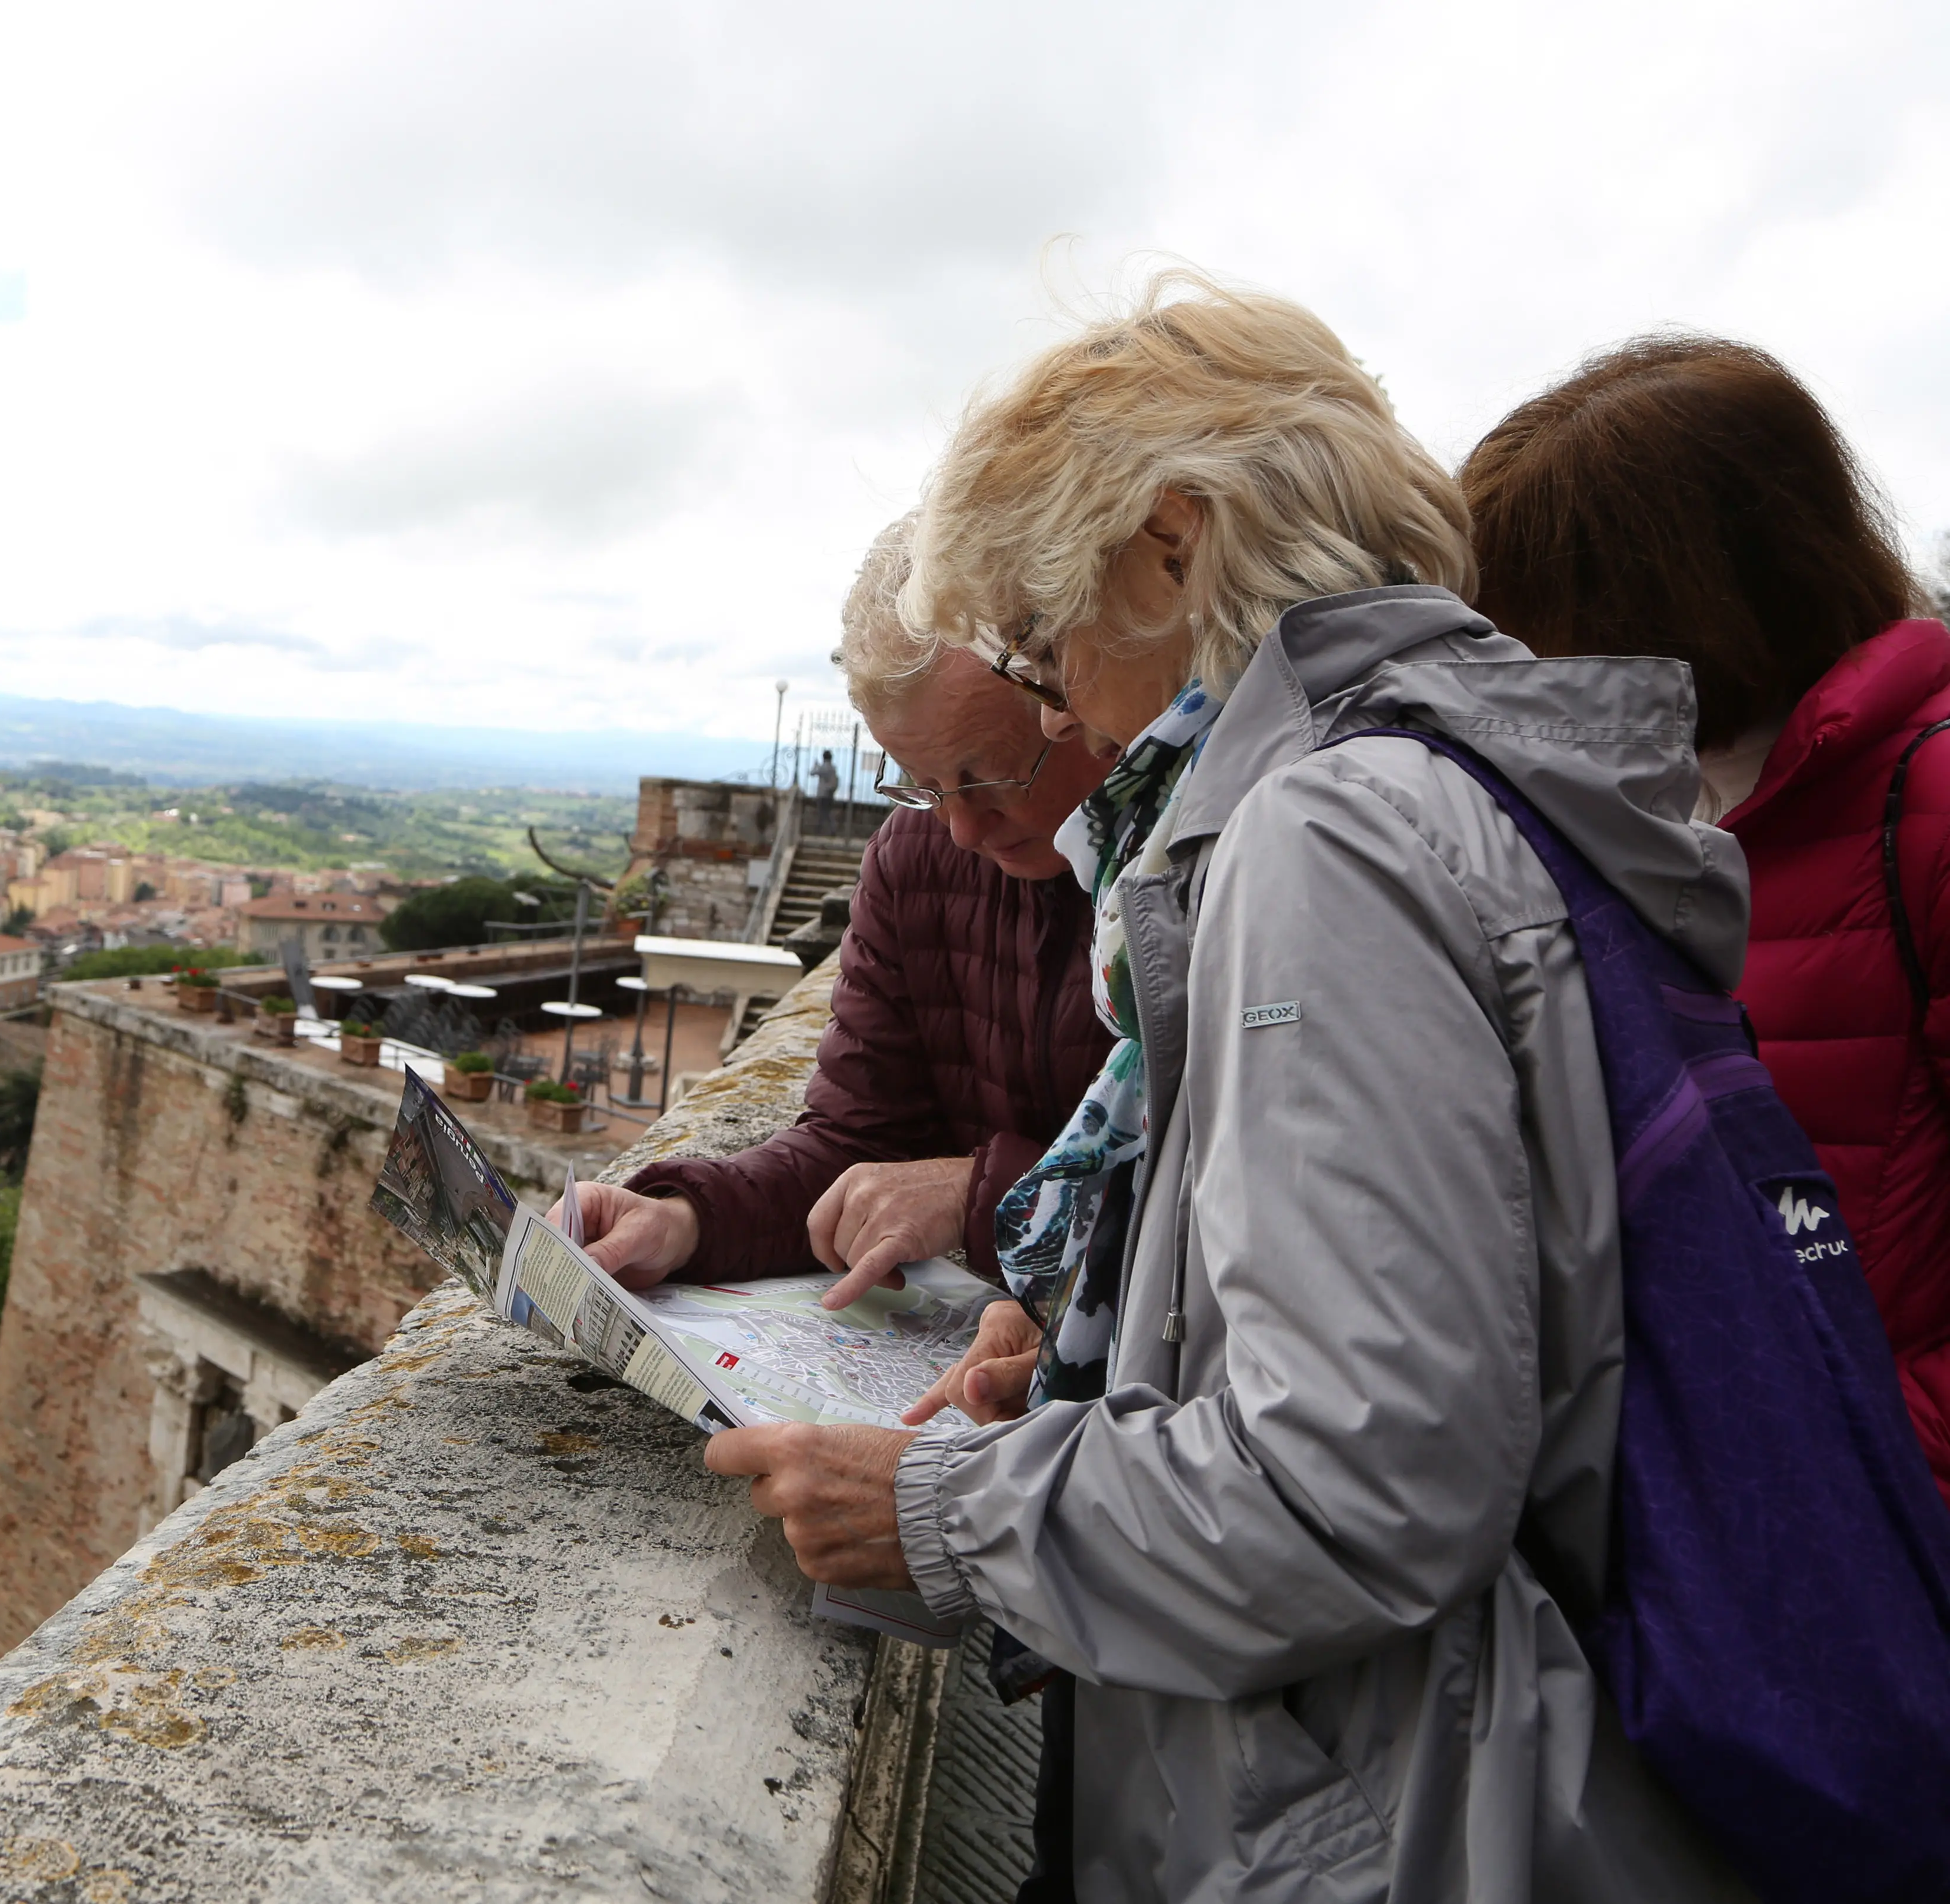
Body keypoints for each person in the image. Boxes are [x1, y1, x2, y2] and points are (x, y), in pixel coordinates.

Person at [706, 277, 1755, 1900]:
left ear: (1173, 545)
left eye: (1048, 644)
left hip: (1395, 1821)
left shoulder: (1329, 837)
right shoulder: (1481, 773)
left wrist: (944, 1508)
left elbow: (1365, 1485)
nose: (1061, 708)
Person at [1461, 334, 1950, 1507]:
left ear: (1666, 601)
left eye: (1540, 627)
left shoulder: (1923, 802)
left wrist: (1859, 1477)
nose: (1518, 674)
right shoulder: (1665, 823)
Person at [561, 518, 1116, 1319]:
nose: (961, 829)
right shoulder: (915, 858)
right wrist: (687, 1218)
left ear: (1077, 697)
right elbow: (860, 1145)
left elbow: (1222, 1212)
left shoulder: (1197, 865)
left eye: (987, 774)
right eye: (920, 784)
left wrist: (977, 1194)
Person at [812, 746, 842, 831]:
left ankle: (821, 829)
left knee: (822, 812)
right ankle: (832, 829)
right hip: (830, 794)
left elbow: (812, 773)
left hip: (822, 794)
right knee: (828, 813)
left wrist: (815, 766)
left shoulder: (823, 768)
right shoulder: (833, 768)